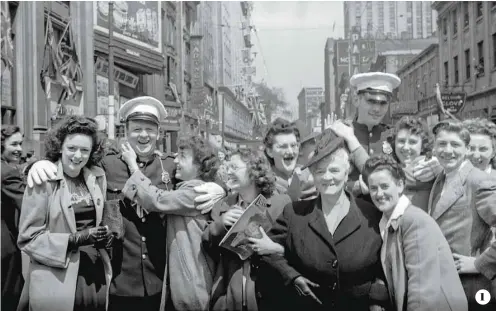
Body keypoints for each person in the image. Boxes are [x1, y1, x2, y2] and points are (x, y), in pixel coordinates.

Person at [25, 96, 226, 311]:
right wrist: (41, 164)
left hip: (160, 277)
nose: (143, 135)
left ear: (159, 133)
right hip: (117, 278)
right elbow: (72, 161)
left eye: (150, 129)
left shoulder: (169, 165)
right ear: (126, 131)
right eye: (137, 129)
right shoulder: (106, 164)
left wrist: (218, 188)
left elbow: (204, 170)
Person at [263, 129, 389, 311]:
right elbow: (269, 253)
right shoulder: (294, 214)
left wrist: (375, 298)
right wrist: (292, 277)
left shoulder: (372, 215)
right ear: (313, 176)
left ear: (347, 172)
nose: (327, 177)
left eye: (334, 170)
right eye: (320, 171)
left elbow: (386, 264)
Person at [17, 116, 114, 311]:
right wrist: (74, 239)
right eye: (72, 148)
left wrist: (107, 235)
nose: (78, 155)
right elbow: (28, 239)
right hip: (56, 277)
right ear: (60, 146)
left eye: (85, 150)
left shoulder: (97, 176)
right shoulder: (43, 179)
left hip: (94, 274)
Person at [120, 134, 219, 311]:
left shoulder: (196, 192)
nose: (175, 162)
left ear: (200, 165)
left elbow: (156, 199)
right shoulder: (192, 188)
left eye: (183, 157)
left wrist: (133, 166)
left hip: (193, 286)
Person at [363, 155, 467, 311]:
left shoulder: (414, 221)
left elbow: (422, 291)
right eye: (373, 188)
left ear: (400, 185)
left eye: (385, 186)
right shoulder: (388, 222)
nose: (379, 194)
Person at [202, 148, 291, 311]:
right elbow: (208, 247)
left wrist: (273, 248)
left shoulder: (281, 204)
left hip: (269, 296)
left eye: (234, 167)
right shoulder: (223, 205)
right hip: (229, 298)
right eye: (227, 167)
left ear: (254, 170)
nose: (227, 171)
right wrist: (221, 224)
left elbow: (296, 249)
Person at [329, 72, 442, 198]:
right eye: (371, 101)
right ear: (356, 100)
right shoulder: (339, 134)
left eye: (383, 103)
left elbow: (412, 171)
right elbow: (325, 178)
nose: (377, 109)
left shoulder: (393, 136)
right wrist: (354, 187)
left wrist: (435, 164)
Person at [428, 120, 496, 309]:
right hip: (444, 286)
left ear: (466, 149)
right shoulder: (440, 178)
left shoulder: (479, 180)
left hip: (472, 288)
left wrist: (479, 263)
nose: (448, 150)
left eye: (455, 144)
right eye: (442, 144)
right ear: (434, 148)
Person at [385, 116, 435, 211]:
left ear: (423, 144)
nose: (406, 147)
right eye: (401, 141)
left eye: (412, 142)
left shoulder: (427, 166)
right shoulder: (392, 164)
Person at [1, 125, 25, 311]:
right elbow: (29, 205)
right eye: (14, 144)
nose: (19, 149)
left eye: (21, 144)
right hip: (5, 246)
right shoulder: (7, 173)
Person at [263, 118, 317, 201]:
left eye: (293, 145)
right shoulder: (263, 184)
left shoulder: (308, 175)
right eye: (283, 146)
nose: (290, 151)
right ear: (269, 151)